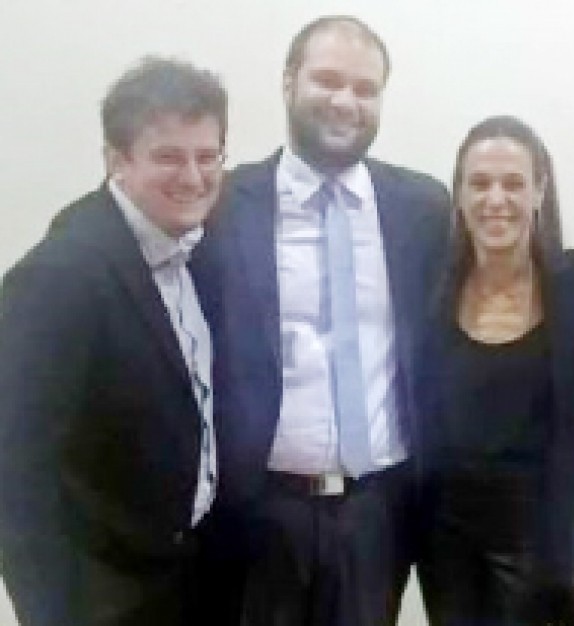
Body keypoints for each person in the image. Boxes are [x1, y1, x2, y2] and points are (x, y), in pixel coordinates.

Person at [190, 15, 452, 626]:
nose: (345, 101)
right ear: (288, 83)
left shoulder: (422, 208)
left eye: (365, 88)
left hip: (378, 511)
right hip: (260, 510)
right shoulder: (223, 204)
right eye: (328, 81)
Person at [0, 57, 228, 626]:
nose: (193, 177)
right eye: (168, 157)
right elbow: (16, 469)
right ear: (116, 160)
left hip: (188, 576)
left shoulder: (195, 247)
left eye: (208, 156)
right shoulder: (59, 276)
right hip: (105, 599)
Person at [414, 115, 574, 626]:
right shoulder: (429, 288)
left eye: (513, 183)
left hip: (545, 539)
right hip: (446, 538)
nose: (495, 199)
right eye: (479, 183)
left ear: (540, 191)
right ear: (459, 195)